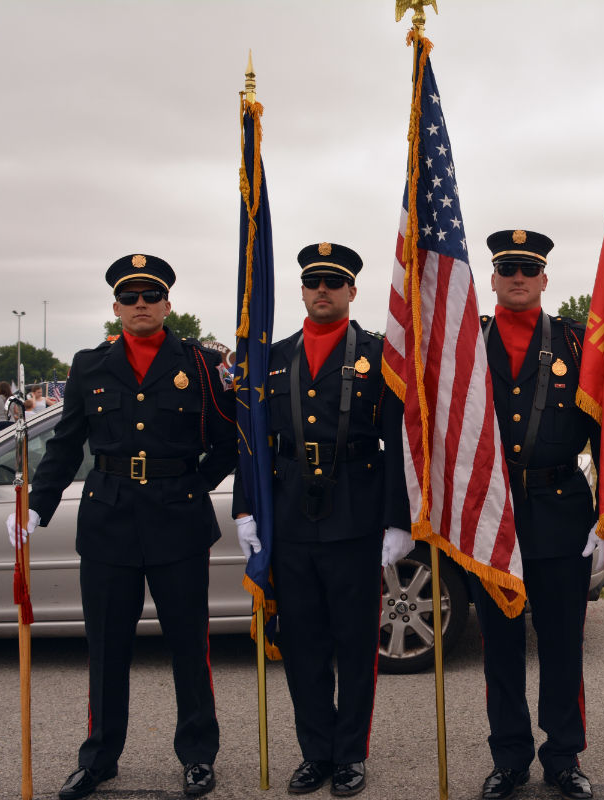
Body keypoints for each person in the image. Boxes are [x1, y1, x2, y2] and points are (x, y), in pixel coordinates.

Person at [7, 254, 237, 799]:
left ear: (167, 304)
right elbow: (65, 446)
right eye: (130, 297)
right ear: (116, 306)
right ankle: (100, 757)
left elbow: (227, 441)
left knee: (188, 644)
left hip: (178, 519)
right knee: (107, 647)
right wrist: (37, 506)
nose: (140, 305)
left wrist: (191, 483)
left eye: (150, 296)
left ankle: (198, 755)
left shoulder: (200, 364)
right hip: (108, 519)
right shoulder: (89, 365)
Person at [233, 242, 411, 798]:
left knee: (355, 643)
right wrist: (246, 508)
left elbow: (400, 439)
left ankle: (350, 754)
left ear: (352, 291)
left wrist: (397, 520)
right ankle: (315, 753)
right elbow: (252, 440)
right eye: (314, 282)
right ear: (302, 290)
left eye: (334, 283)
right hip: (290, 519)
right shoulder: (275, 355)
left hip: (355, 516)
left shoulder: (380, 356)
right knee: (304, 644)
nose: (323, 292)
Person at [473, 229, 601, 800]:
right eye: (508, 269)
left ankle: (563, 756)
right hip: (490, 514)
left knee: (561, 644)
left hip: (560, 510)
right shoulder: (467, 344)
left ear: (545, 278)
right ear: (494, 278)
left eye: (528, 269)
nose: (518, 278)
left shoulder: (577, 343)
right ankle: (509, 757)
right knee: (499, 645)